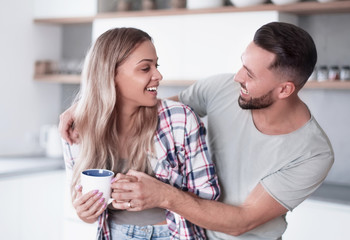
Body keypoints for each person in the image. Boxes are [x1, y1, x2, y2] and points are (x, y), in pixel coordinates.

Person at [60, 22, 334, 239]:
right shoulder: (223, 89)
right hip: (186, 228)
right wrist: (88, 108)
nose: (237, 76)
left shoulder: (312, 153)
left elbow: (243, 222)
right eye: (243, 64)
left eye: (250, 74)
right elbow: (153, 107)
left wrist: (162, 194)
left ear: (284, 89)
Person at [61, 27, 220, 240]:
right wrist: (85, 213)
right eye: (145, 68)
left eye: (156, 65)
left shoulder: (179, 120)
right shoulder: (77, 128)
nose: (158, 75)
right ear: (110, 75)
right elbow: (84, 206)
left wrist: (162, 196)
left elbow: (209, 200)